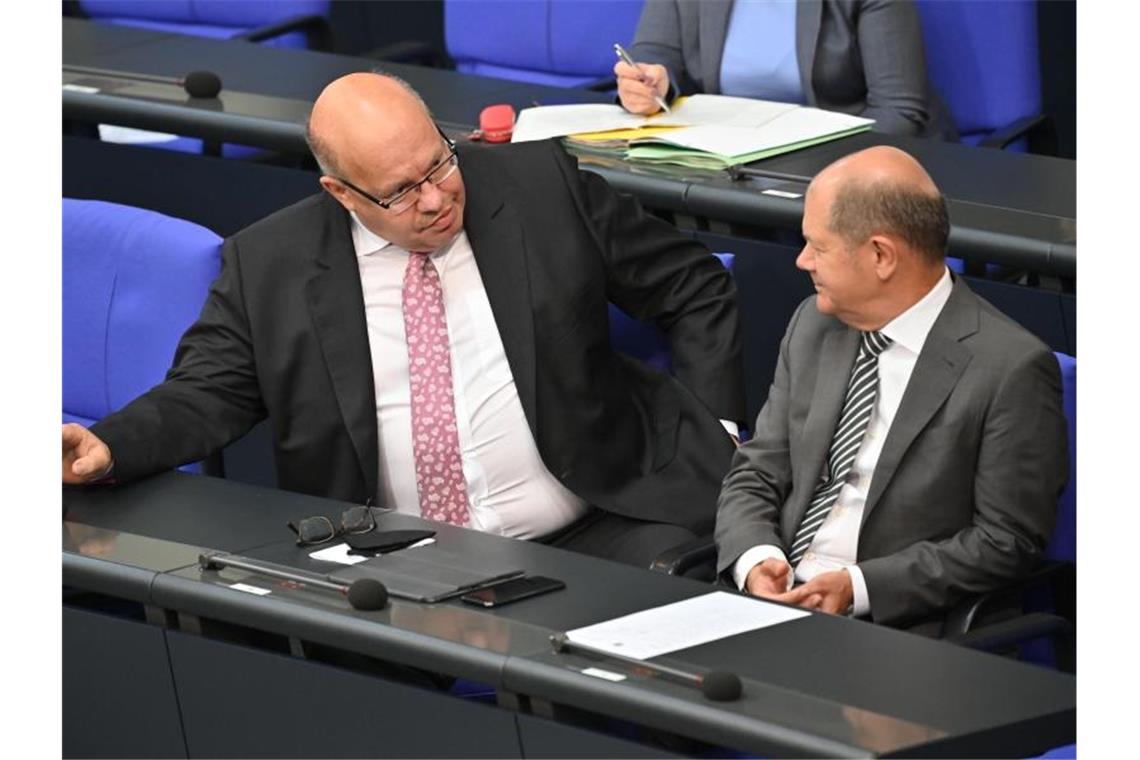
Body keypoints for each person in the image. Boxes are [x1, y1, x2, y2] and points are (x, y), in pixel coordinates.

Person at [61, 72, 746, 569]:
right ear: (339, 192)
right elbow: (205, 392)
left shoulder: (541, 188)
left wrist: (716, 427)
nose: (435, 200)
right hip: (387, 557)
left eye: (439, 164)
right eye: (399, 192)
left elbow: (693, 285)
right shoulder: (270, 264)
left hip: (599, 529)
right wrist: (109, 447)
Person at [714, 145, 1066, 631]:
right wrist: (755, 557)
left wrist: (857, 587)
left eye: (818, 246)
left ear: (881, 255)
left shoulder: (1010, 368)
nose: (801, 261)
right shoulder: (813, 326)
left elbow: (1004, 541)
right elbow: (757, 468)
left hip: (890, 627)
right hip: (765, 602)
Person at [616, 0, 956, 139]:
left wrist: (826, 175)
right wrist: (649, 82)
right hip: (727, 154)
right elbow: (656, 51)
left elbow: (899, 111)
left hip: (843, 154)